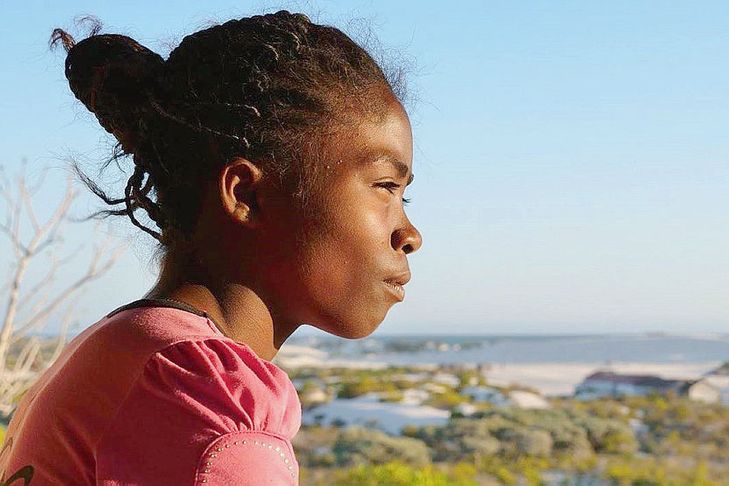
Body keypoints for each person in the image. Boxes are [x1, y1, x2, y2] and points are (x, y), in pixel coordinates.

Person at [0, 10, 422, 485]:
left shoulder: (126, 351)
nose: (410, 234)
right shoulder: (203, 404)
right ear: (246, 196)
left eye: (404, 196)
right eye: (385, 185)